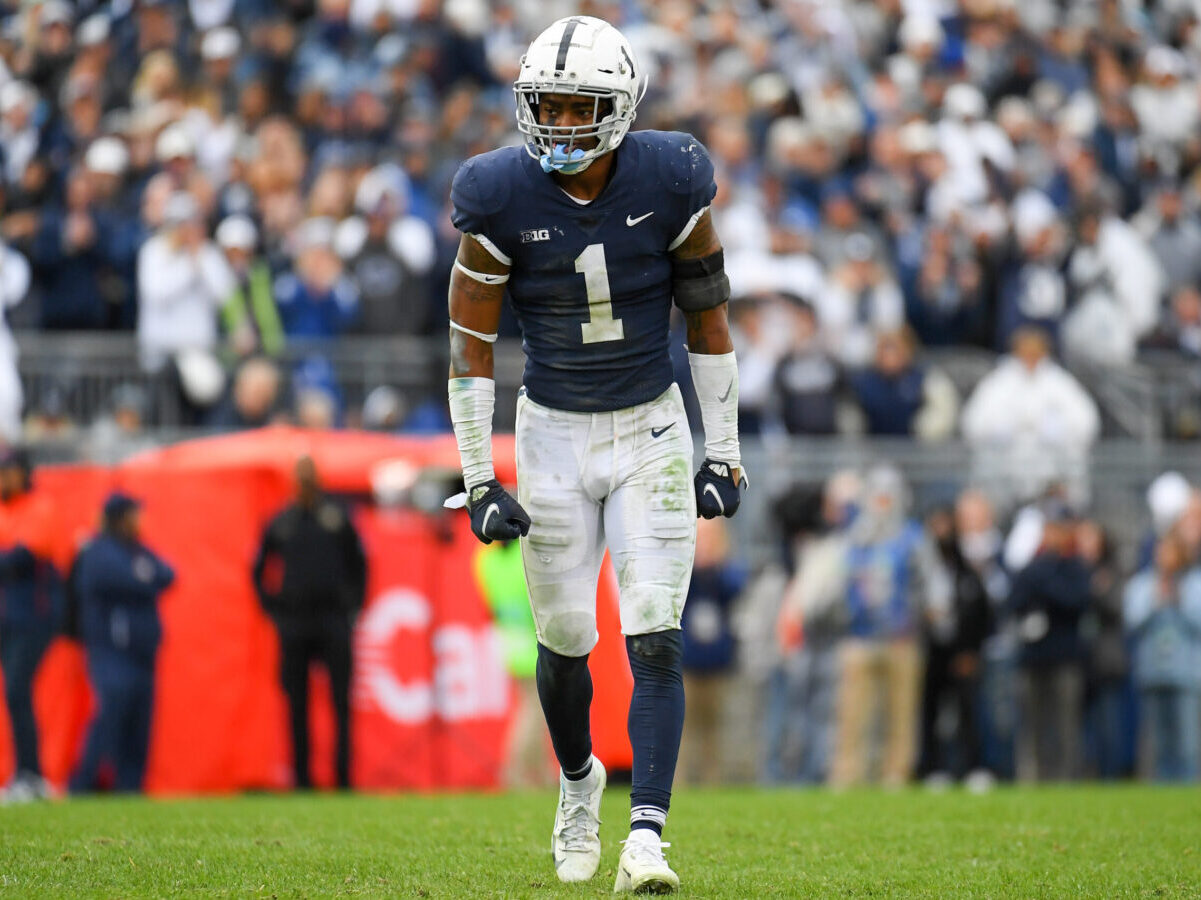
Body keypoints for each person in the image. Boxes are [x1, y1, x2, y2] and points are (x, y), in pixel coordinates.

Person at [446, 16, 745, 894]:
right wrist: (477, 478)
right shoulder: (498, 194)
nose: (561, 125)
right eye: (547, 106)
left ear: (620, 110)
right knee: (567, 640)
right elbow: (468, 345)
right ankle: (579, 783)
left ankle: (645, 834)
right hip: (550, 432)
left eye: (581, 108)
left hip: (650, 425)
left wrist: (720, 450)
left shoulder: (671, 176)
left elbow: (709, 317)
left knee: (654, 631)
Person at [252, 456, 366, 790]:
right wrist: (275, 611)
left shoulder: (337, 518)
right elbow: (257, 570)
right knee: (296, 705)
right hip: (296, 623)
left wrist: (352, 607)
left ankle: (343, 778)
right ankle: (302, 780)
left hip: (332, 620)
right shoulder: (281, 522)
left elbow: (359, 564)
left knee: (341, 703)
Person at [70, 493, 175, 793]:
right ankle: (84, 784)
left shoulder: (137, 550)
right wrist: (144, 577)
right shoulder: (99, 550)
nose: (139, 520)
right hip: (111, 650)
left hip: (142, 651)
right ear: (120, 517)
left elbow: (167, 574)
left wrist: (144, 576)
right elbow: (124, 579)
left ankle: (130, 787)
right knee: (111, 714)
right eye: (134, 514)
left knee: (139, 722)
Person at [0, 448, 68, 802]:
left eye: (7, 472)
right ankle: (26, 774)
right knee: (15, 694)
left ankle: (32, 775)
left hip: (35, 615)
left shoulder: (40, 507)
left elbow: (18, 561)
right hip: (9, 617)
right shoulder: (7, 510)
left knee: (16, 690)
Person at [1008, 500, 1092, 782]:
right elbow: (1014, 601)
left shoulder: (1074, 565)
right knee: (1032, 724)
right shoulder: (1032, 564)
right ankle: (1033, 777)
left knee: (1066, 723)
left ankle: (1067, 777)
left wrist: (1045, 583)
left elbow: (1076, 601)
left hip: (1065, 655)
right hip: (1033, 655)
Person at [1123, 532, 1201, 782]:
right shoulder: (1144, 584)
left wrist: (1177, 598)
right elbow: (1133, 621)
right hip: (1152, 670)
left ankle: (1188, 791)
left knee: (1186, 742)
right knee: (1158, 742)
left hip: (1185, 672)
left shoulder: (1194, 583)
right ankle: (1162, 789)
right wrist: (1158, 598)